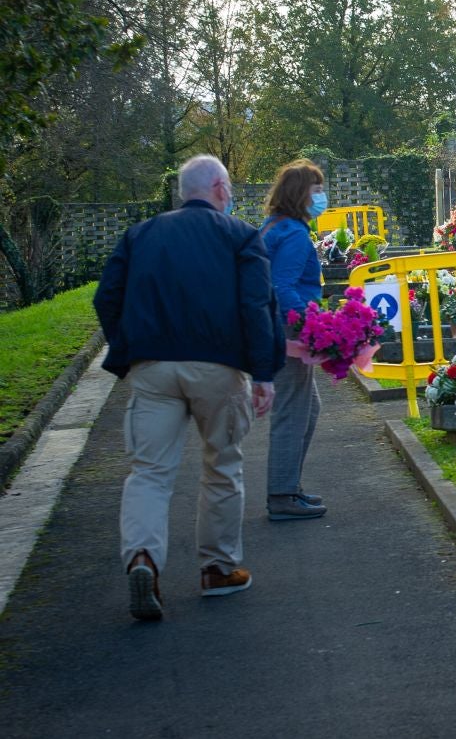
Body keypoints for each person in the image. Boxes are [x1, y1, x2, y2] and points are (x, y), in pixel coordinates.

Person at [94, 155, 281, 621]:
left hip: (153, 367)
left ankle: (143, 559)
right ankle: (217, 570)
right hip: (219, 368)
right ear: (220, 188)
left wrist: (128, 348)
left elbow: (107, 297)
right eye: (231, 186)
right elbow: (257, 305)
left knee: (149, 472)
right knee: (222, 464)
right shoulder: (241, 235)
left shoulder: (140, 234)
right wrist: (263, 373)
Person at [260, 159, 329, 521]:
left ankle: (289, 486)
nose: (322, 197)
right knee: (292, 411)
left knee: (309, 408)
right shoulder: (295, 235)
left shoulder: (276, 226)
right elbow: (282, 287)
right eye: (316, 191)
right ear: (299, 194)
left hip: (278, 325)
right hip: (289, 327)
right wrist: (310, 325)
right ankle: (282, 495)